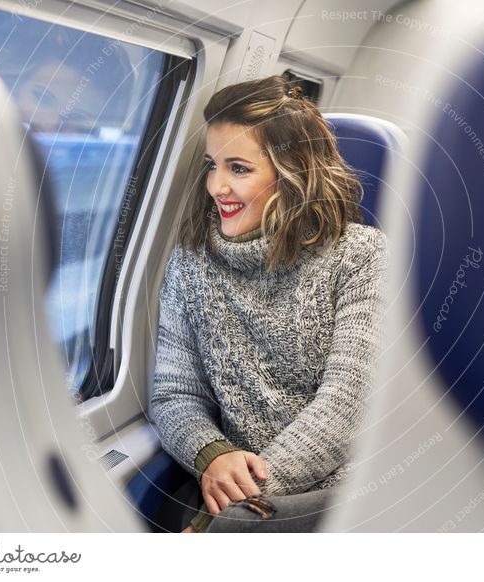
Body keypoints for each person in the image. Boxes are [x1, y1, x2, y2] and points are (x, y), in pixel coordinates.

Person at [151, 75, 388, 533]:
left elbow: (347, 406)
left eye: (238, 168)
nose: (216, 187)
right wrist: (213, 458)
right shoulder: (190, 264)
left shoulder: (361, 255)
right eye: (210, 165)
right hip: (233, 486)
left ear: (293, 172)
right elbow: (175, 394)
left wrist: (228, 511)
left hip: (343, 484)